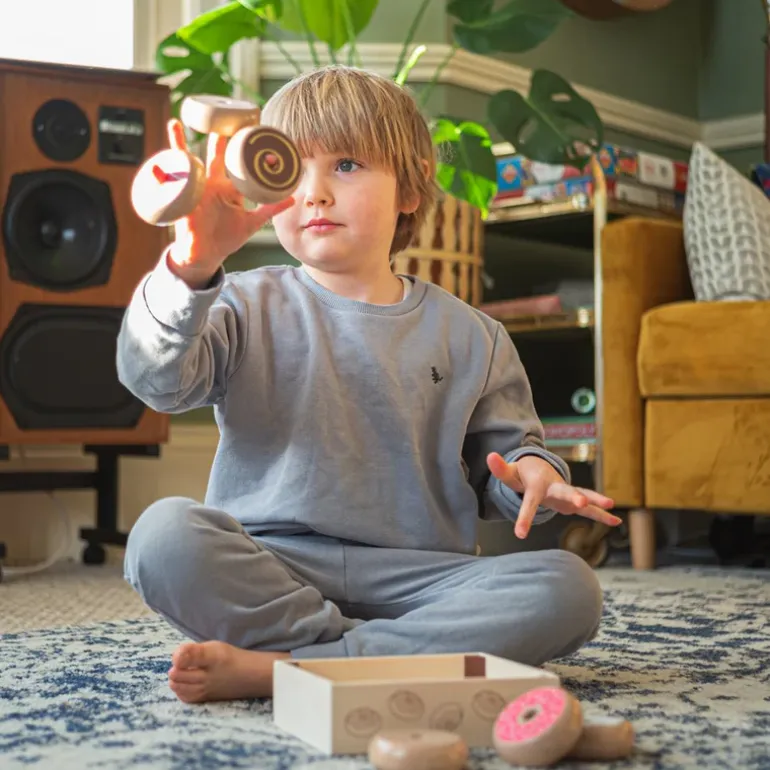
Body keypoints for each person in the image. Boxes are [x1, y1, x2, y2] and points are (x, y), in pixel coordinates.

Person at [118, 65, 621, 705]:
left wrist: (533, 476)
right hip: (271, 563)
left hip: (421, 576)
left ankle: (291, 668)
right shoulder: (242, 302)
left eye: (347, 165)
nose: (315, 193)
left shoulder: (475, 335)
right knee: (162, 538)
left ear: (409, 188)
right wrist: (190, 268)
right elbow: (155, 380)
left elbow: (507, 464)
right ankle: (367, 659)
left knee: (568, 588)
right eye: (292, 169)